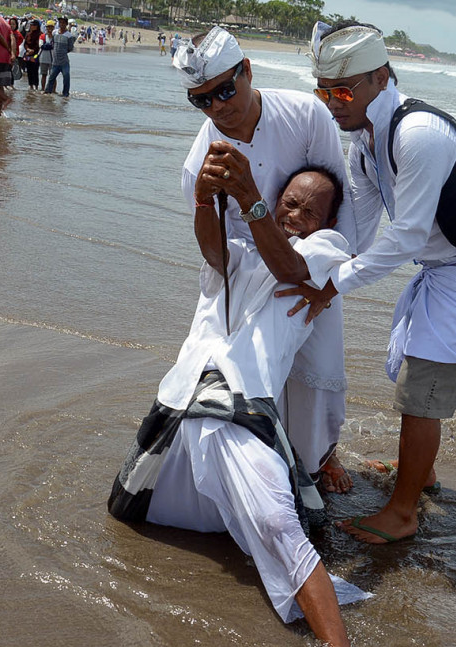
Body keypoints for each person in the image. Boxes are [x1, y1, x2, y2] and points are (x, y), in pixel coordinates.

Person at [108, 167, 379, 647]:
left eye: (309, 210)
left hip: (243, 404)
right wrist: (203, 200)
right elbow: (213, 254)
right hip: (182, 400)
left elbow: (289, 267)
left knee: (277, 523)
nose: (295, 214)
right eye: (289, 202)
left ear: (327, 222)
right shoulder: (238, 249)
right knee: (129, 510)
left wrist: (251, 199)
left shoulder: (326, 252)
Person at [290, 22, 456, 544]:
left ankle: (402, 514)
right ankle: (422, 473)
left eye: (343, 92)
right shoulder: (365, 144)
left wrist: (333, 286)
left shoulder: (418, 134)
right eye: (323, 93)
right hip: (445, 267)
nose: (332, 104)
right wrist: (309, 261)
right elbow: (358, 230)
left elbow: (407, 236)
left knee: (421, 392)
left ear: (381, 77)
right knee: (414, 376)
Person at [175, 28, 361, 499]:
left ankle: (322, 455)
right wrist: (205, 201)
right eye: (201, 101)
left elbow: (340, 203)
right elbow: (217, 257)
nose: (217, 107)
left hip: (314, 262)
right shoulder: (199, 162)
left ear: (247, 70)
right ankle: (260, 456)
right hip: (247, 272)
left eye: (224, 90)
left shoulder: (305, 115)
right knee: (245, 368)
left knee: (318, 369)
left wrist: (335, 281)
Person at [41, 15, 72, 97]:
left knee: (66, 77)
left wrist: (62, 52)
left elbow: (70, 48)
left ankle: (65, 94)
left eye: (63, 23)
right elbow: (52, 43)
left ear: (66, 24)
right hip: (55, 61)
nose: (61, 24)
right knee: (51, 77)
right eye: (60, 22)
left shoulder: (69, 35)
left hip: (64, 61)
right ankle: (47, 92)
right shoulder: (54, 33)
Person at [35, 17, 52, 89]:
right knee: (43, 75)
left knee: (53, 76)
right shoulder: (43, 36)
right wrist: (50, 46)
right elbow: (41, 45)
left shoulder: (55, 36)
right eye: (48, 27)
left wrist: (47, 46)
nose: (50, 29)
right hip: (43, 58)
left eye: (51, 27)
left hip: (52, 59)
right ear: (46, 28)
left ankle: (53, 90)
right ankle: (43, 89)